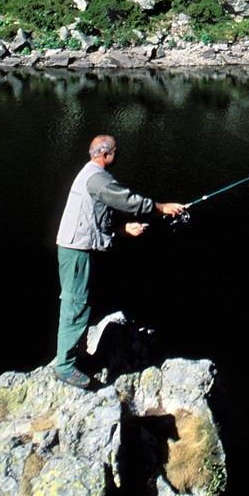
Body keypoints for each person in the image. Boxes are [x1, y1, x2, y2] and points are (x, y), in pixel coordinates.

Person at [55, 133, 185, 389]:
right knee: (75, 303)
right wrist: (162, 208)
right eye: (115, 151)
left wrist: (123, 229)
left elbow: (96, 216)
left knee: (82, 301)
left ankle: (78, 355)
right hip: (77, 250)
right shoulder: (98, 179)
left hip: (79, 246)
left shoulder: (91, 174)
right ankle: (64, 367)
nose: (118, 154)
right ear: (105, 155)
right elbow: (127, 199)